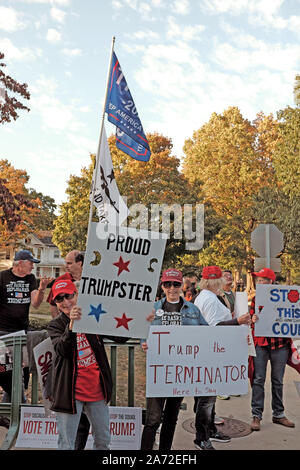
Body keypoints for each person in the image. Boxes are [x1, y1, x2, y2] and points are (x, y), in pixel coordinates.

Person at [140, 268, 208, 451]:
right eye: (167, 284)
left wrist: (239, 325)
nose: (172, 288)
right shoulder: (153, 309)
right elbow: (142, 332)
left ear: (182, 285)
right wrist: (144, 343)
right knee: (153, 419)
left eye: (176, 284)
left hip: (180, 372)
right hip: (159, 371)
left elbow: (208, 334)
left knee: (171, 418)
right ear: (162, 286)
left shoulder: (193, 310)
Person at [47, 279, 112, 450]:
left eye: (68, 296)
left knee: (103, 440)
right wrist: (71, 326)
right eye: (59, 299)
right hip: (69, 392)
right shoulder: (55, 325)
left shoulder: (93, 316)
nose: (66, 302)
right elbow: (62, 350)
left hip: (97, 390)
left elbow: (120, 334)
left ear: (76, 295)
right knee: (66, 443)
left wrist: (144, 321)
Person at [193, 265, 250, 450]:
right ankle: (201, 437)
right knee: (206, 399)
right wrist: (237, 321)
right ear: (216, 281)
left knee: (208, 398)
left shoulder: (205, 296)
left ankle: (209, 430)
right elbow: (213, 328)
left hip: (209, 352)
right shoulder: (209, 299)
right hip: (210, 352)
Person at [0, 250, 52, 402]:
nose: (32, 267)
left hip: (22, 333)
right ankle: (12, 410)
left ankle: (12, 412)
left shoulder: (30, 278)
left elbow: (35, 304)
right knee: (6, 371)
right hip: (3, 333)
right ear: (20, 263)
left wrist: (42, 288)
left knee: (21, 372)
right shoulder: (3, 277)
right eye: (31, 263)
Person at [250, 267, 295, 431]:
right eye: (258, 280)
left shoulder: (284, 297)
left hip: (280, 345)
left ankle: (279, 414)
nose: (259, 282)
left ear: (270, 281)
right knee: (258, 379)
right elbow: (250, 316)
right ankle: (256, 415)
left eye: (262, 280)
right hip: (261, 344)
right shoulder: (256, 298)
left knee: (277, 380)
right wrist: (253, 318)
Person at [47, 250, 84, 318]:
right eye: (66, 263)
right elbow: (53, 305)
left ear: (79, 263)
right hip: (65, 321)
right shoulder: (60, 281)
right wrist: (59, 326)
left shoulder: (91, 280)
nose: (66, 266)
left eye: (69, 263)